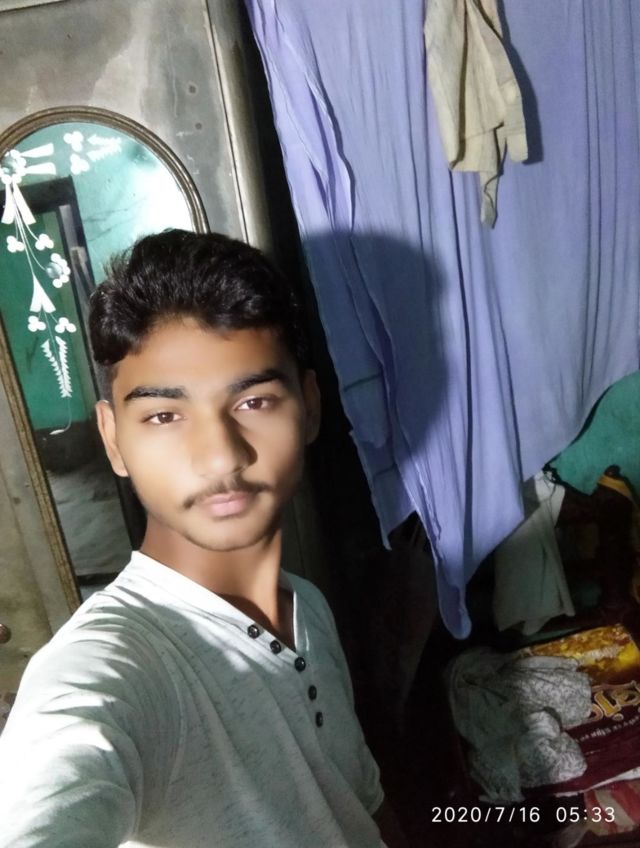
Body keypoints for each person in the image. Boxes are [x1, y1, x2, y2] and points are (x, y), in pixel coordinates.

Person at [0, 230, 407, 847]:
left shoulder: (307, 607)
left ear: (310, 405)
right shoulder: (111, 668)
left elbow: (359, 801)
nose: (221, 455)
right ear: (113, 439)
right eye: (164, 415)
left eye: (254, 401)